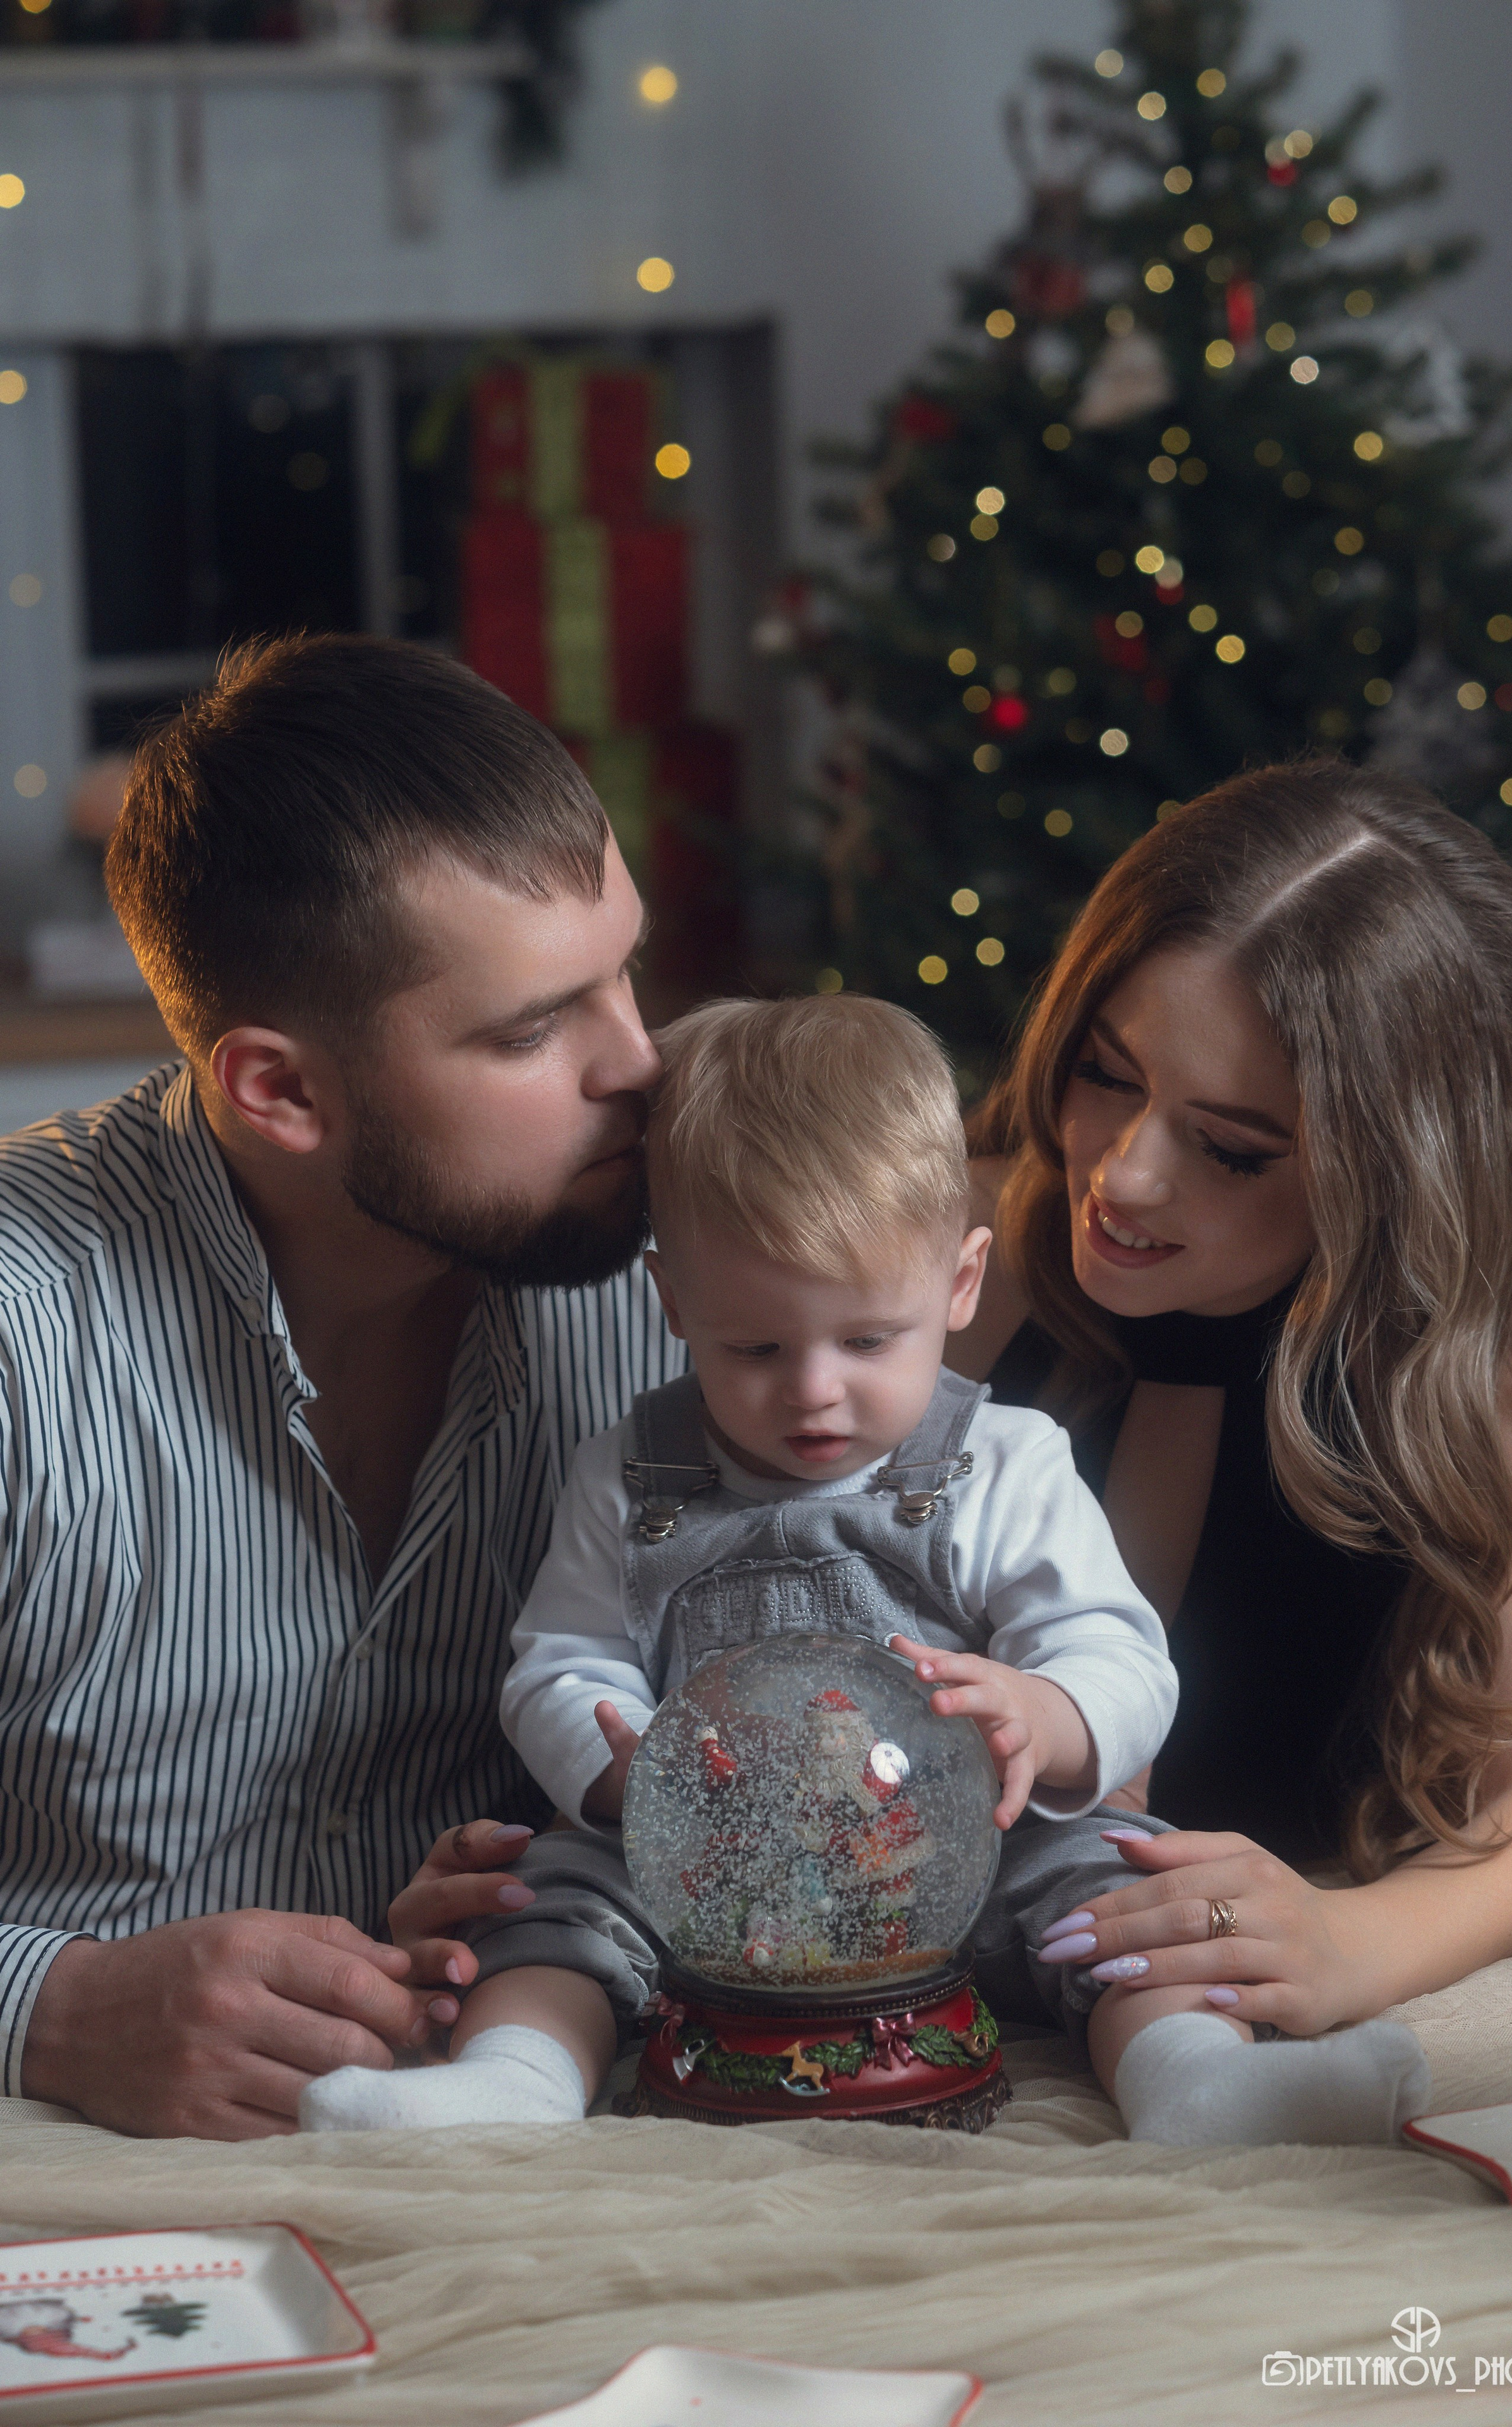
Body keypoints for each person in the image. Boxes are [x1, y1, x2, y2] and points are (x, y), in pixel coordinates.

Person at [301, 995, 1428, 2144]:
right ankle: (516, 2084)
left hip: (976, 1850)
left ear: (960, 1283)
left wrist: (1044, 1713)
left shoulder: (1004, 1462)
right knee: (550, 1895)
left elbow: (1117, 1651)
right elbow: (560, 1656)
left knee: (1124, 1890)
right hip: (712, 1861)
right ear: (674, 1303)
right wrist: (619, 1769)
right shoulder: (631, 1478)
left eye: (868, 1340)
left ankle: (1200, 2080)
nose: (813, 1391)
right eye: (755, 1348)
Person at [1, 633, 679, 2140]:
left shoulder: (681, 1278)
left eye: (623, 972)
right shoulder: (18, 1337)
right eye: (531, 1029)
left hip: (515, 2148)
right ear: (280, 1091)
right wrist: (50, 2010)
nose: (639, 1063)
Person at [950, 759, 1512, 2135]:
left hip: (1253, 1912)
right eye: (1103, 1075)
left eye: (1235, 1148)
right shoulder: (974, 1262)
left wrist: (1352, 1941)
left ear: (1393, 1172)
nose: (1122, 1176)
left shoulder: (1472, 1364)